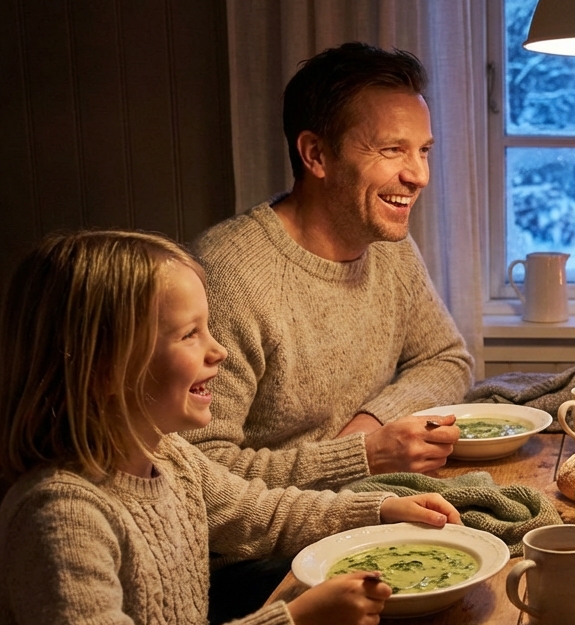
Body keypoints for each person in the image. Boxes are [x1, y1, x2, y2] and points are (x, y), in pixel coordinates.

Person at [0, 230, 462, 625]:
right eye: (190, 334)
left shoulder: (171, 458)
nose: (219, 351)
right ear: (105, 368)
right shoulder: (62, 513)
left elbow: (263, 513)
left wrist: (377, 507)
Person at [183, 43, 474, 492]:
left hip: (366, 506)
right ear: (316, 155)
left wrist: (370, 425)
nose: (419, 175)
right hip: (267, 555)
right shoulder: (227, 275)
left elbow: (446, 358)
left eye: (424, 150)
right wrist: (364, 455)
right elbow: (201, 474)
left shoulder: (386, 244)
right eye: (392, 149)